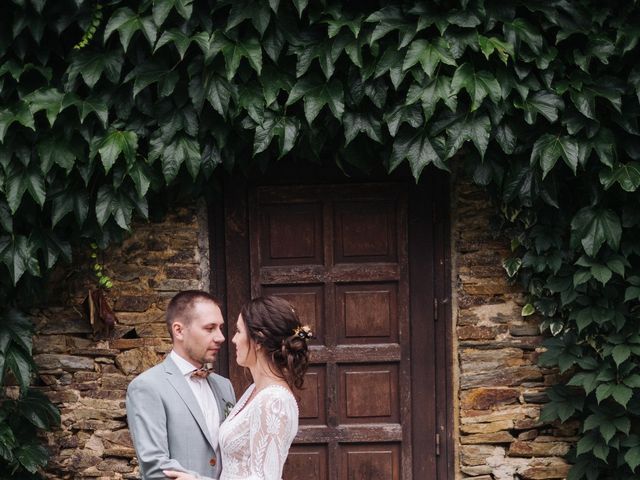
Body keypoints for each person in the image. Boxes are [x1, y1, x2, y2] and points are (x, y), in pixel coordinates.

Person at [165, 295, 312, 480]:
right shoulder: (254, 391)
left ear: (259, 341)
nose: (233, 339)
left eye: (238, 331)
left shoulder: (274, 401)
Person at [126, 290, 236, 480]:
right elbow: (155, 468)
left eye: (220, 327)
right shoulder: (147, 386)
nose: (221, 337)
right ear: (179, 331)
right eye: (210, 328)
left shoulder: (224, 386)